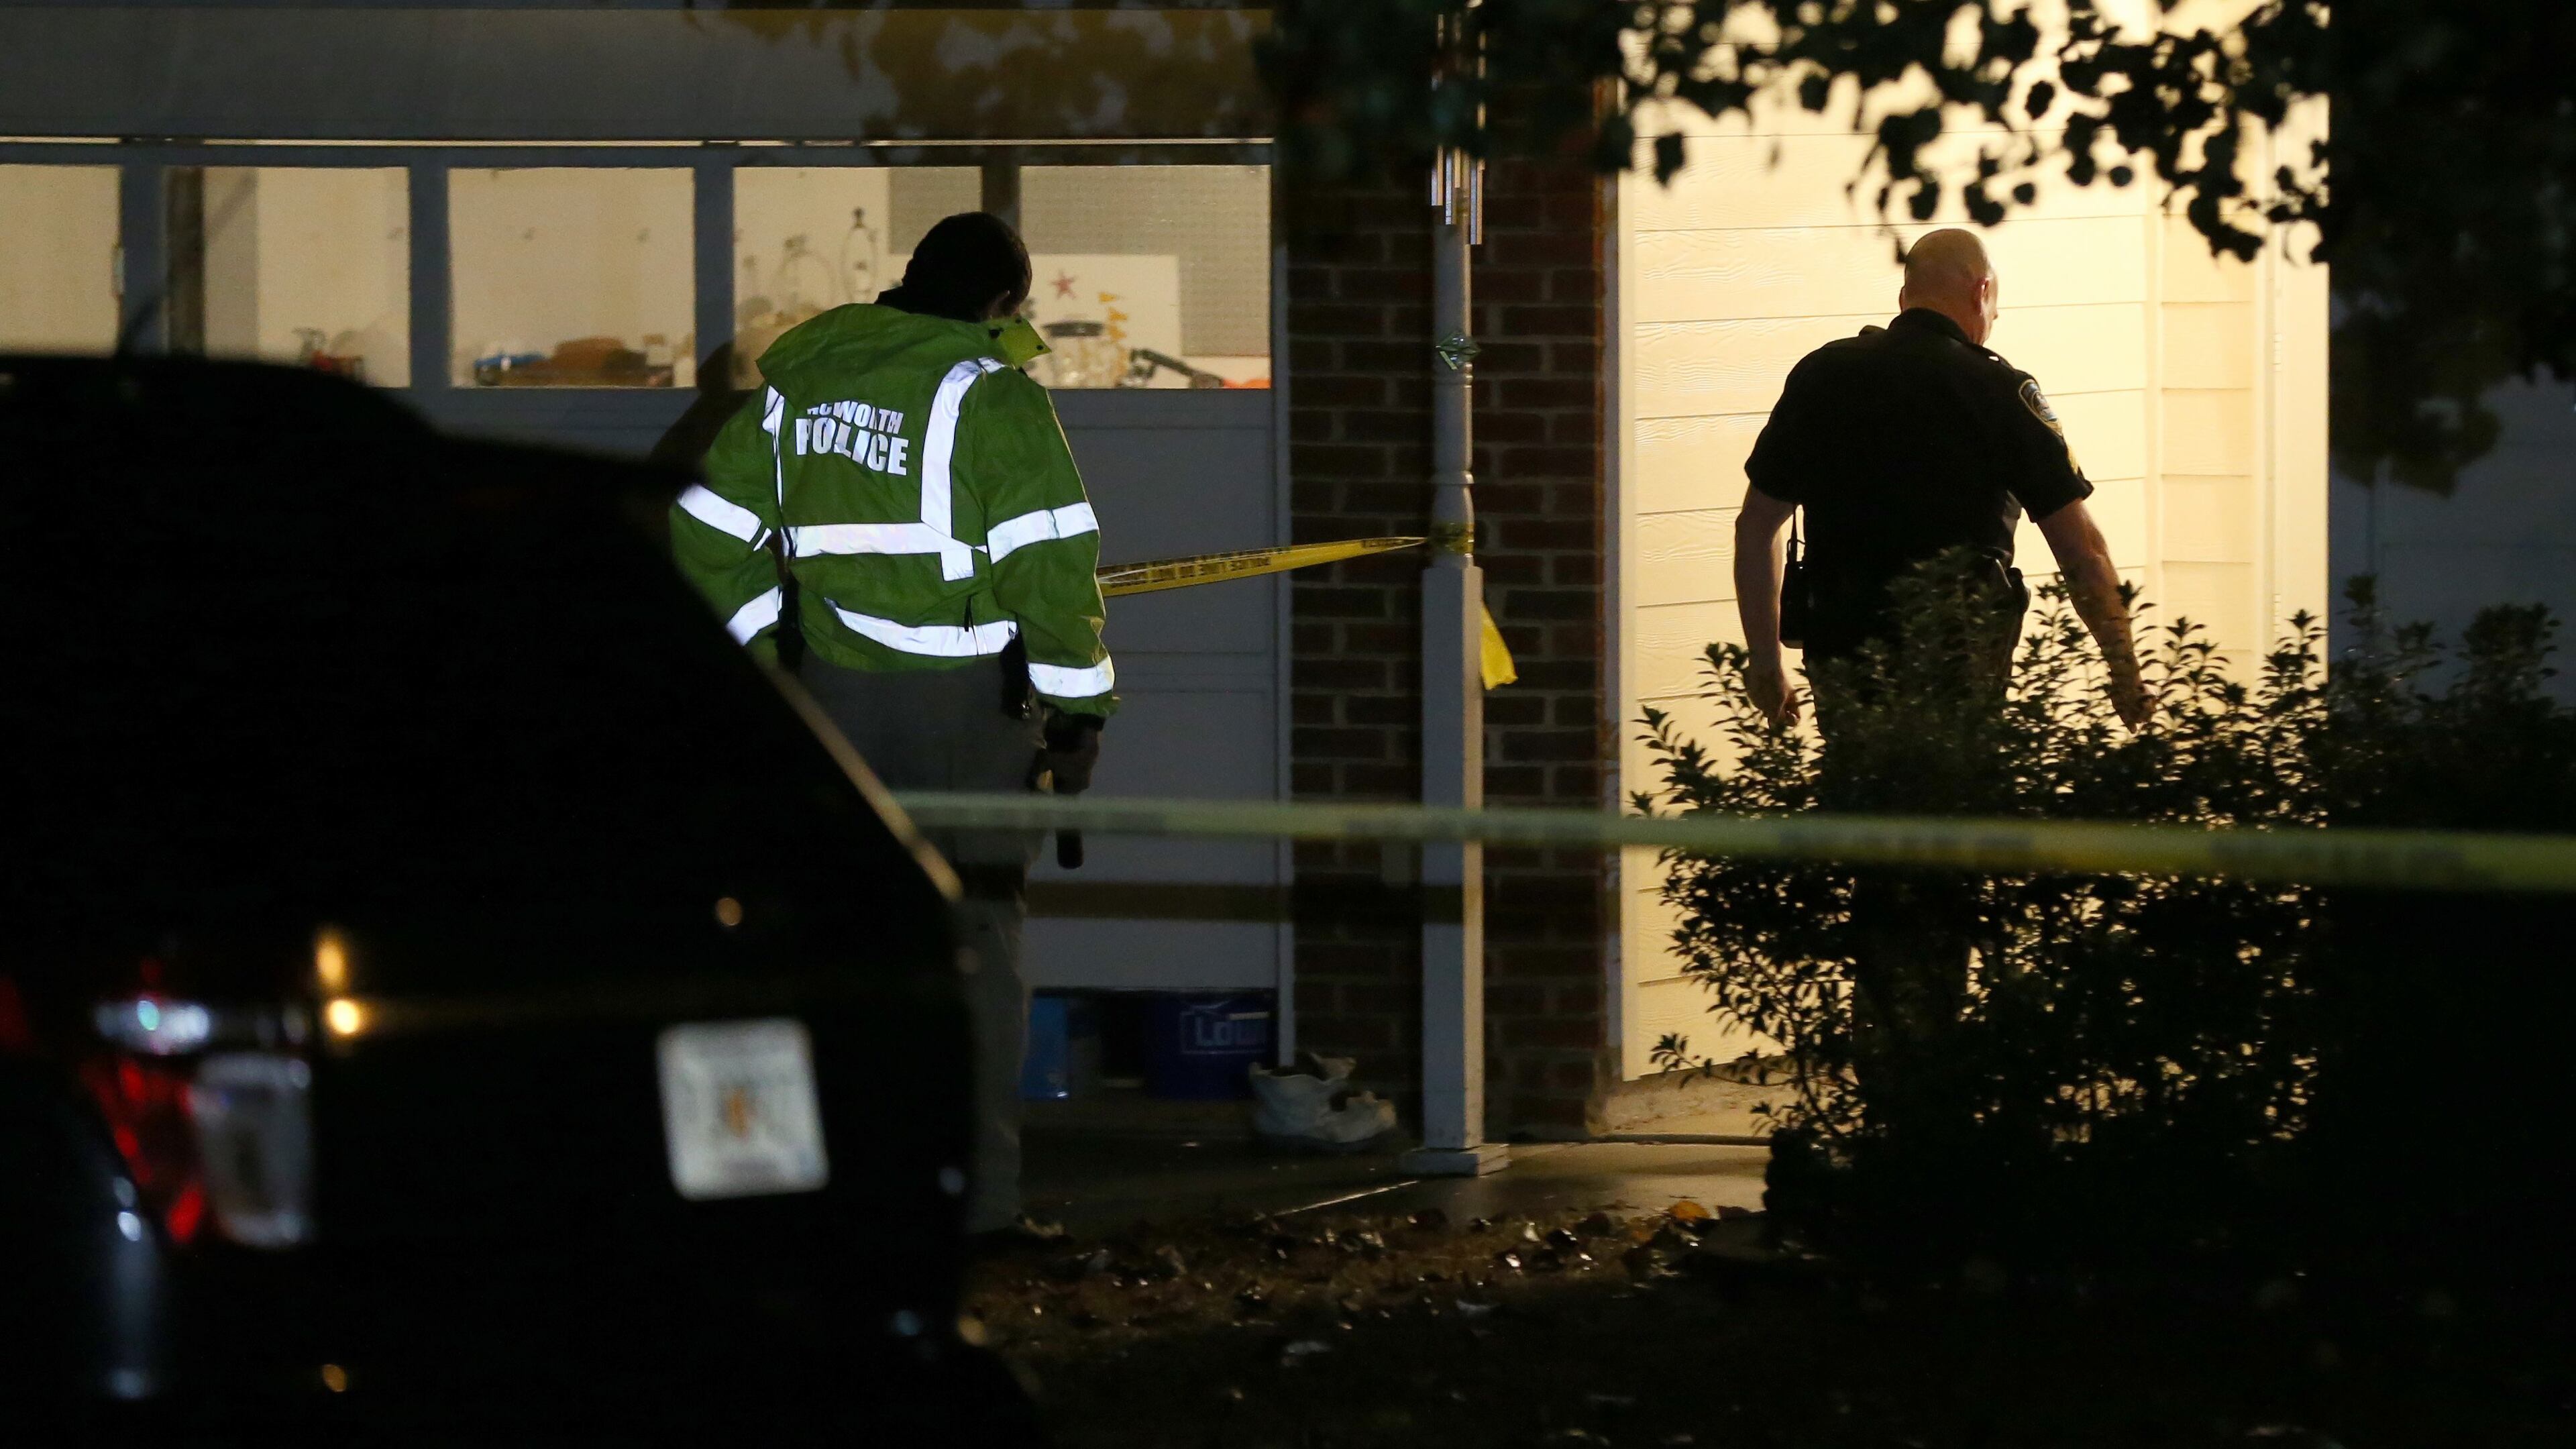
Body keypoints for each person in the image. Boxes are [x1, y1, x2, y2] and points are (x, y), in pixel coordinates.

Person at [669, 211, 1114, 1241]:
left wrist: (768, 661)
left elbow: (707, 537)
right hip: (964, 714)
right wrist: (1079, 713)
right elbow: (1051, 574)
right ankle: (983, 1204)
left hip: (832, 706)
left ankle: (834, 1196)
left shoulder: (802, 386)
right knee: (979, 948)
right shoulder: (992, 397)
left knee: (841, 944)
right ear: (1005, 302)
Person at [1731, 227, 2147, 732]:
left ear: (1905, 299)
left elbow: (1755, 527)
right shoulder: (1999, 390)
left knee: (1858, 797)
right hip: (1959, 663)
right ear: (1982, 292)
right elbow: (2082, 551)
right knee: (1956, 800)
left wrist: (1766, 663)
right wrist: (2124, 669)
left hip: (1845, 657)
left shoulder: (1822, 375)